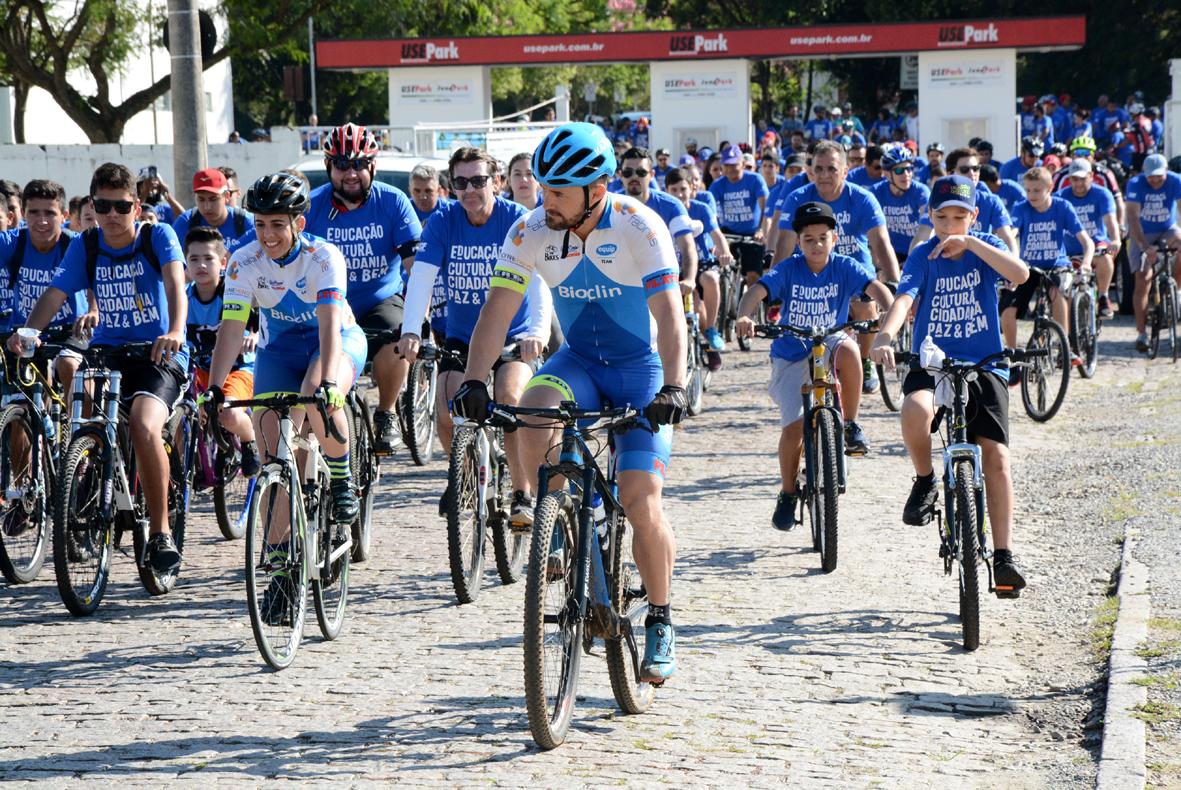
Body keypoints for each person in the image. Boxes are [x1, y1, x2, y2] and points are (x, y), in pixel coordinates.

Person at [453, 121, 687, 684]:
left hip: (640, 374)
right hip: (578, 363)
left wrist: (675, 388)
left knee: (639, 497)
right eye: (542, 186)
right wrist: (476, 379)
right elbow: (498, 308)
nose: (542, 199)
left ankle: (660, 618)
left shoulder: (638, 224)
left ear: (597, 190)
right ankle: (556, 517)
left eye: (558, 191)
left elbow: (670, 316)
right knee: (533, 404)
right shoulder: (532, 228)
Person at [11, 162, 188, 574]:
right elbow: (55, 294)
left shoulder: (157, 236)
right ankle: (94, 468)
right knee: (82, 403)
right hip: (107, 352)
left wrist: (176, 330)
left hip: (158, 353)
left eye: (121, 207)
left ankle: (160, 532)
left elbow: (176, 283)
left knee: (144, 425)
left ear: (137, 206)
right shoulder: (86, 245)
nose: (111, 215)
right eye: (103, 206)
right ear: (92, 205)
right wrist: (28, 332)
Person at [870, 175, 1031, 596]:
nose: (951, 224)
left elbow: (1021, 273)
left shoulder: (982, 251)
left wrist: (972, 243)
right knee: (915, 410)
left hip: (984, 363)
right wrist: (885, 337)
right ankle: (925, 480)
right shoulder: (923, 255)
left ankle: (1003, 556)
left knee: (995, 456)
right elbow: (904, 299)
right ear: (931, 216)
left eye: (960, 217)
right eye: (943, 217)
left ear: (974, 216)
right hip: (933, 359)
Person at [396, 147, 552, 525]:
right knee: (448, 415)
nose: (470, 189)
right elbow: (422, 277)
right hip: (463, 339)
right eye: (461, 182)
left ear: (496, 182)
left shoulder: (517, 219)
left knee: (510, 399)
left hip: (514, 336)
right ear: (451, 187)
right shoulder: (443, 220)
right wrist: (412, 330)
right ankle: (465, 476)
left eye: (479, 181)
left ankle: (521, 493)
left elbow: (538, 280)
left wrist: (537, 330)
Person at [205, 172, 365, 534]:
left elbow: (328, 325)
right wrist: (215, 388)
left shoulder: (324, 258)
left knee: (314, 394)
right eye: (260, 224)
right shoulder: (243, 262)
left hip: (333, 340)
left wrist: (326, 382)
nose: (268, 235)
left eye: (278, 224)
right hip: (278, 351)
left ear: (300, 223)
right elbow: (232, 328)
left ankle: (342, 478)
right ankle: (279, 566)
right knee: (271, 461)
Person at [737, 201, 893, 529]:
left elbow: (875, 288)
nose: (817, 244)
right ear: (798, 243)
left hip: (830, 340)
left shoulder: (844, 266)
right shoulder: (789, 269)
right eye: (809, 239)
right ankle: (789, 493)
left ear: (834, 240)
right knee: (793, 427)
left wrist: (891, 311)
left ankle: (849, 424)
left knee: (850, 349)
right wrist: (744, 315)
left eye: (823, 237)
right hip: (792, 350)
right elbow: (758, 290)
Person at [304, 123, 422, 455]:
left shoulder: (394, 201)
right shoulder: (311, 207)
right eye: (342, 165)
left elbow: (415, 265)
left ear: (372, 166)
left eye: (358, 164)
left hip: (378, 298)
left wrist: (418, 317)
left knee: (395, 335)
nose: (351, 173)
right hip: (327, 305)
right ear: (329, 167)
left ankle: (386, 412)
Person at [774, 140, 901, 395]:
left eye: (831, 169)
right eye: (818, 168)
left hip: (854, 267)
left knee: (866, 306)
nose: (824, 175)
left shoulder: (862, 199)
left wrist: (893, 282)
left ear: (845, 171)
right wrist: (774, 286)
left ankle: (863, 361)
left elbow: (881, 242)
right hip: (811, 269)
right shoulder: (797, 198)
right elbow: (785, 244)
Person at [0, 180, 93, 394]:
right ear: (23, 213)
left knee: (67, 365)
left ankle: (75, 424)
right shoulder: (12, 242)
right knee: (23, 398)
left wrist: (93, 310)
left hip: (69, 331)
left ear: (64, 215)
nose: (42, 221)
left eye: (50, 213)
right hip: (24, 330)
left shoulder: (75, 245)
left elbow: (94, 278)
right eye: (34, 212)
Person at [182, 226, 260, 476]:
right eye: (194, 259)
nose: (201, 265)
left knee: (227, 413)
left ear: (223, 262)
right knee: (178, 411)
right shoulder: (184, 297)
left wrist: (253, 337)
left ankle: (250, 443)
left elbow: (258, 323)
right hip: (200, 370)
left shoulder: (233, 293)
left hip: (238, 369)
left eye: (208, 258)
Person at [1002, 166, 1093, 369]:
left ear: (1050, 188)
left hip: (1057, 266)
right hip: (1028, 267)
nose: (1031, 195)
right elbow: (1012, 233)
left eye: (1036, 190)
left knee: (1057, 292)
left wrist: (1086, 262)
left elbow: (1087, 241)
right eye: (1028, 190)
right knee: (1008, 308)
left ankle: (1064, 348)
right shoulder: (1021, 208)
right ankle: (1013, 356)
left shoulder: (1063, 207)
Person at [666, 166, 732, 366]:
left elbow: (717, 234)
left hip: (702, 262)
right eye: (674, 190)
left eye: (683, 189)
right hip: (674, 266)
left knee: (711, 279)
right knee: (692, 300)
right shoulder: (664, 210)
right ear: (666, 191)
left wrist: (724, 251)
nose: (679, 194)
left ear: (691, 189)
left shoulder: (701, 209)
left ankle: (710, 329)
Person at [911, 147, 1018, 255]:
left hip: (980, 264)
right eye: (964, 170)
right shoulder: (937, 200)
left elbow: (1007, 238)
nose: (972, 174)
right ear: (950, 173)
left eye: (976, 168)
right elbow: (922, 235)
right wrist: (912, 261)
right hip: (946, 260)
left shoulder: (991, 201)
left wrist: (1014, 262)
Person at [620, 147, 698, 295]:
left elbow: (687, 246)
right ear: (620, 175)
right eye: (628, 172)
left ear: (652, 175)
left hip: (663, 279)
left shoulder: (671, 205)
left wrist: (689, 279)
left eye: (641, 172)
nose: (634, 177)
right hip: (625, 280)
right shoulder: (610, 205)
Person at [1125, 153, 1181, 351]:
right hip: (1143, 231)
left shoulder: (1176, 182)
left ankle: (1177, 288)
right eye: (1151, 176)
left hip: (1167, 228)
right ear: (1144, 174)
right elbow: (1132, 218)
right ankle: (1142, 333)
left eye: (1159, 175)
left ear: (1167, 172)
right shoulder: (1135, 184)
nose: (1155, 180)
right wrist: (1144, 247)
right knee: (1143, 279)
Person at [1058, 158, 1120, 318]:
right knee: (1067, 297)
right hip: (1069, 248)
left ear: (1091, 176)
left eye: (1082, 179)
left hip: (1096, 243)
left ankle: (1103, 297)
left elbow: (1110, 220)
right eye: (1074, 179)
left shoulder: (1102, 194)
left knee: (1106, 258)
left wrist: (1115, 239)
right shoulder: (1061, 196)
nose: (1078, 184)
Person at [709, 144, 769, 287]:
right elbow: (709, 211)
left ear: (742, 164)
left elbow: (766, 209)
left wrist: (761, 230)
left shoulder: (755, 180)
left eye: (734, 165)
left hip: (752, 234)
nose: (730, 169)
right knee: (720, 269)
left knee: (753, 275)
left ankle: (752, 307)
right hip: (728, 233)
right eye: (727, 165)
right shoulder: (717, 185)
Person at [171, 168, 256, 255]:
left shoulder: (247, 222)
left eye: (213, 199)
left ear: (227, 196)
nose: (207, 206)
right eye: (201, 199)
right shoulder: (185, 223)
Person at [871, 144, 931, 266]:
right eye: (899, 170)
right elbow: (870, 233)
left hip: (916, 250)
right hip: (889, 252)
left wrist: (910, 263)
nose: (906, 174)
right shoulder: (875, 192)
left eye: (909, 169)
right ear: (887, 174)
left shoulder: (921, 191)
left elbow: (925, 230)